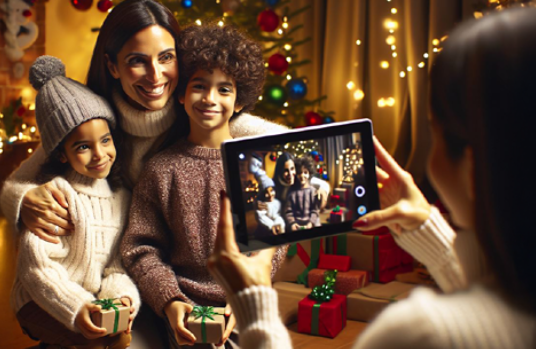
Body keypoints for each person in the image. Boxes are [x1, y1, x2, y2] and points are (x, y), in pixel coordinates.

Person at [207, 7, 536, 348]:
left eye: (433, 131)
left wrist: (255, 307)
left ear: (472, 169)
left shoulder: (421, 332)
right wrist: (427, 230)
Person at [0, 0, 286, 243]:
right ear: (113, 66)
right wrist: (23, 201)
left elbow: (288, 144)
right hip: (110, 268)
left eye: (166, 58)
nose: (155, 75)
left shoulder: (199, 109)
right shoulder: (91, 117)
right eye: (138, 61)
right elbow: (14, 184)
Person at [120, 24, 287, 349]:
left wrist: (247, 298)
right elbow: (141, 250)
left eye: (224, 89)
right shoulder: (160, 169)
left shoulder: (256, 167)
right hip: (180, 309)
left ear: (239, 101)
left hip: (244, 303)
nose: (210, 99)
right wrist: (170, 301)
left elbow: (272, 245)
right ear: (181, 93)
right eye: (199, 86)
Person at [11, 56, 140, 349]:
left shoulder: (122, 198)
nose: (99, 154)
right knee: (96, 344)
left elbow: (119, 265)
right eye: (83, 146)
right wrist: (78, 307)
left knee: (120, 337)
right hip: (39, 299)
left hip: (91, 301)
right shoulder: (56, 196)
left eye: (105, 140)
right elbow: (37, 269)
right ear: (61, 154)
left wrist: (119, 299)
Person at [248, 154, 285, 237]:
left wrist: (279, 224)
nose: (270, 194)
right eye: (266, 192)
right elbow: (260, 217)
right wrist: (272, 225)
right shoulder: (262, 204)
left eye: (271, 191)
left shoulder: (277, 203)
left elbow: (278, 215)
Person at [284, 155, 321, 231]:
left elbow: (315, 210)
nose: (302, 175)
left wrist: (311, 222)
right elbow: (288, 211)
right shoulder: (292, 192)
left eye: (305, 172)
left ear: (309, 173)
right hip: (296, 223)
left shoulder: (313, 191)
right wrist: (292, 223)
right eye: (299, 172)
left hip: (310, 222)